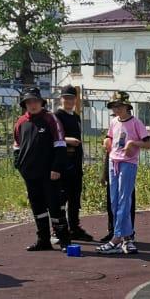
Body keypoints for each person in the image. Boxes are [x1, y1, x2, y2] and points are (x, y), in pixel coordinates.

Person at [12, 87, 70, 251]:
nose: (33, 105)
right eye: (29, 102)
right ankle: (43, 240)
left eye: (35, 101)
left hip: (50, 173)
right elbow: (16, 146)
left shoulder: (50, 119)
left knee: (55, 206)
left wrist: (56, 168)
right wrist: (19, 165)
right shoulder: (21, 122)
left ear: (41, 102)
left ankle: (64, 240)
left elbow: (60, 144)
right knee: (37, 206)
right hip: (30, 174)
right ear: (25, 104)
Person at [99, 91, 150, 255]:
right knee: (114, 201)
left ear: (126, 106)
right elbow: (110, 137)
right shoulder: (114, 122)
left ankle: (116, 238)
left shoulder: (136, 123)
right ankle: (127, 238)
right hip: (113, 162)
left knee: (124, 200)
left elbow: (149, 144)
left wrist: (133, 143)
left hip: (128, 163)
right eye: (114, 106)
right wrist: (106, 141)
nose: (116, 109)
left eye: (119, 106)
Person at [53, 85, 95, 243]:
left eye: (71, 98)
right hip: (62, 163)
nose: (69, 101)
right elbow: (51, 137)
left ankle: (74, 228)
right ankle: (58, 230)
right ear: (61, 99)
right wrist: (67, 140)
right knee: (61, 198)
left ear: (75, 99)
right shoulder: (56, 116)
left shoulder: (75, 117)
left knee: (75, 198)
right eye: (66, 98)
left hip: (75, 164)